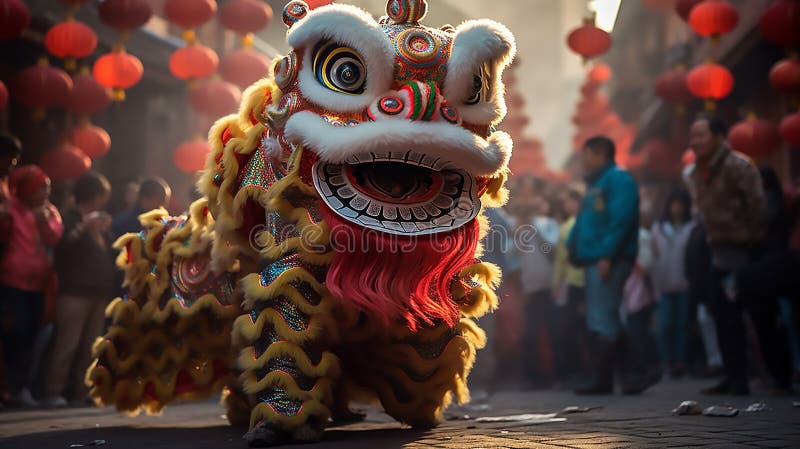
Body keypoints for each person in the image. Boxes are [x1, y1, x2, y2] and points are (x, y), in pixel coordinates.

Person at [685, 114, 791, 395]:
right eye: (692, 136)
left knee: (763, 318)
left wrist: (753, 245)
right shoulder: (697, 172)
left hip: (748, 254)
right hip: (719, 255)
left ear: (719, 136)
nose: (695, 142)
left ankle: (781, 377)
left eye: (701, 135)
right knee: (725, 320)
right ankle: (735, 379)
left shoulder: (739, 166)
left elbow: (758, 209)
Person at [567, 135, 640, 395]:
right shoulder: (598, 182)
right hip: (595, 259)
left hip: (607, 259)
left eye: (586, 154)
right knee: (604, 317)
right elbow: (586, 223)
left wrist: (607, 255)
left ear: (599, 153)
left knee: (603, 318)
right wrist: (574, 249)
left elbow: (620, 221)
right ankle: (629, 377)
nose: (583, 160)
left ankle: (613, 378)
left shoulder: (619, 180)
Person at [44, 172, 113, 407]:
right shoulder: (70, 218)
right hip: (74, 293)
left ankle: (81, 391)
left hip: (98, 292)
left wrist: (102, 230)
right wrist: (84, 227)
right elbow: (63, 247)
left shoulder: (100, 223)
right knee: (67, 344)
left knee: (90, 347)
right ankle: (54, 390)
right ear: (94, 196)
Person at [0, 165, 63, 406]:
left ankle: (20, 387)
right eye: (40, 188)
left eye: (47, 188)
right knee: (14, 334)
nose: (45, 193)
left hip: (40, 284)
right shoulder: (10, 210)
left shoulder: (49, 212)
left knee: (32, 335)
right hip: (11, 282)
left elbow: (55, 237)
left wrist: (43, 221)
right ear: (25, 189)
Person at [517, 178, 559, 388]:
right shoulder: (521, 226)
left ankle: (553, 375)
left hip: (550, 287)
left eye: (538, 200)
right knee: (530, 334)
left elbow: (551, 249)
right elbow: (513, 253)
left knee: (552, 331)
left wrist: (534, 227)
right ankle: (533, 377)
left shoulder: (551, 225)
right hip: (530, 288)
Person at [651, 188, 694, 378]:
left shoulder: (692, 227)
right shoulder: (658, 228)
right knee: (665, 325)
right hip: (663, 284)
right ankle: (667, 362)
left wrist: (545, 246)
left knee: (681, 325)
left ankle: (680, 362)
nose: (676, 208)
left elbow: (549, 251)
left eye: (680, 204)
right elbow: (550, 252)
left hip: (684, 283)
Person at [551, 183, 587, 387]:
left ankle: (577, 372)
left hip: (575, 282)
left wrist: (556, 285)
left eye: (570, 200)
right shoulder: (573, 224)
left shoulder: (571, 226)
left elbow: (562, 261)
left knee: (574, 330)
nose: (566, 204)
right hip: (574, 282)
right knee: (577, 329)